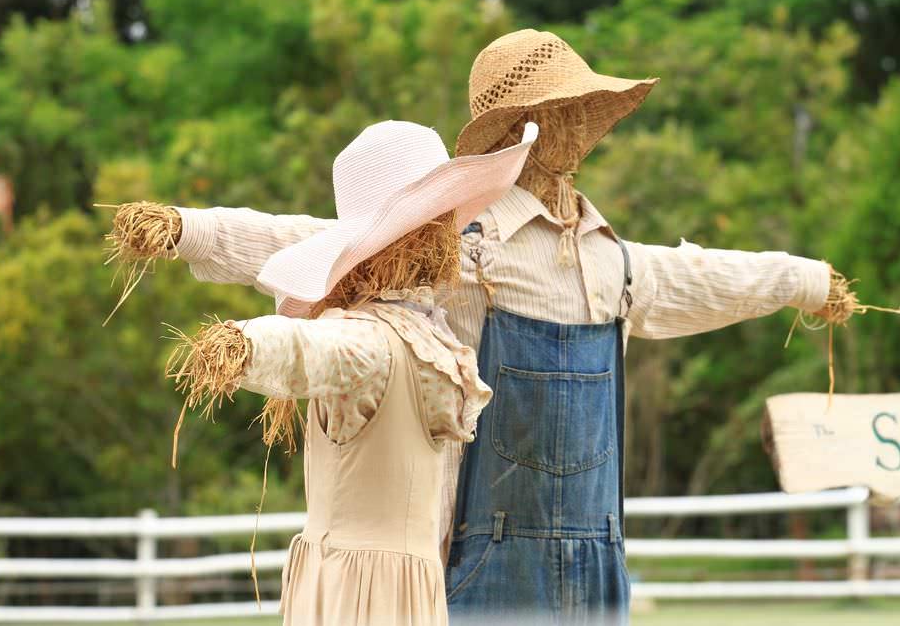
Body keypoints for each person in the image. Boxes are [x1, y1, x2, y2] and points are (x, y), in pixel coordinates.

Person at [112, 30, 858, 624]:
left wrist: (807, 281)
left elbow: (709, 277)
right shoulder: (464, 246)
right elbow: (315, 238)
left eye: (584, 107)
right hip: (484, 560)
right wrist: (188, 230)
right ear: (521, 128)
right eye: (561, 109)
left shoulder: (616, 262)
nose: (579, 123)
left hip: (600, 559)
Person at [155, 119, 537, 626]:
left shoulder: (419, 334)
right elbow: (313, 350)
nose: (453, 231)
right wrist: (244, 344)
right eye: (439, 220)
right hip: (362, 592)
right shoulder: (372, 339)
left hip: (389, 579)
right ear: (416, 237)